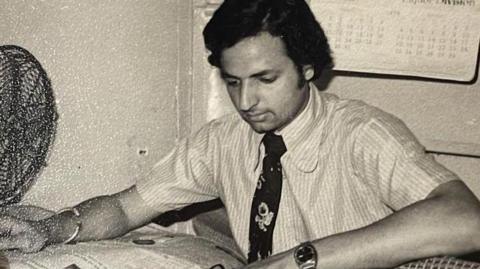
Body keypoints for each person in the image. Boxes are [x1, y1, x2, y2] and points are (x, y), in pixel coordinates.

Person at [1, 0, 480, 268]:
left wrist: (300, 261)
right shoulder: (223, 140)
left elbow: (466, 221)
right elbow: (128, 206)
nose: (246, 101)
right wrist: (52, 229)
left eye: (265, 80)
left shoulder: (363, 131)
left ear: (307, 68)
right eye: (233, 82)